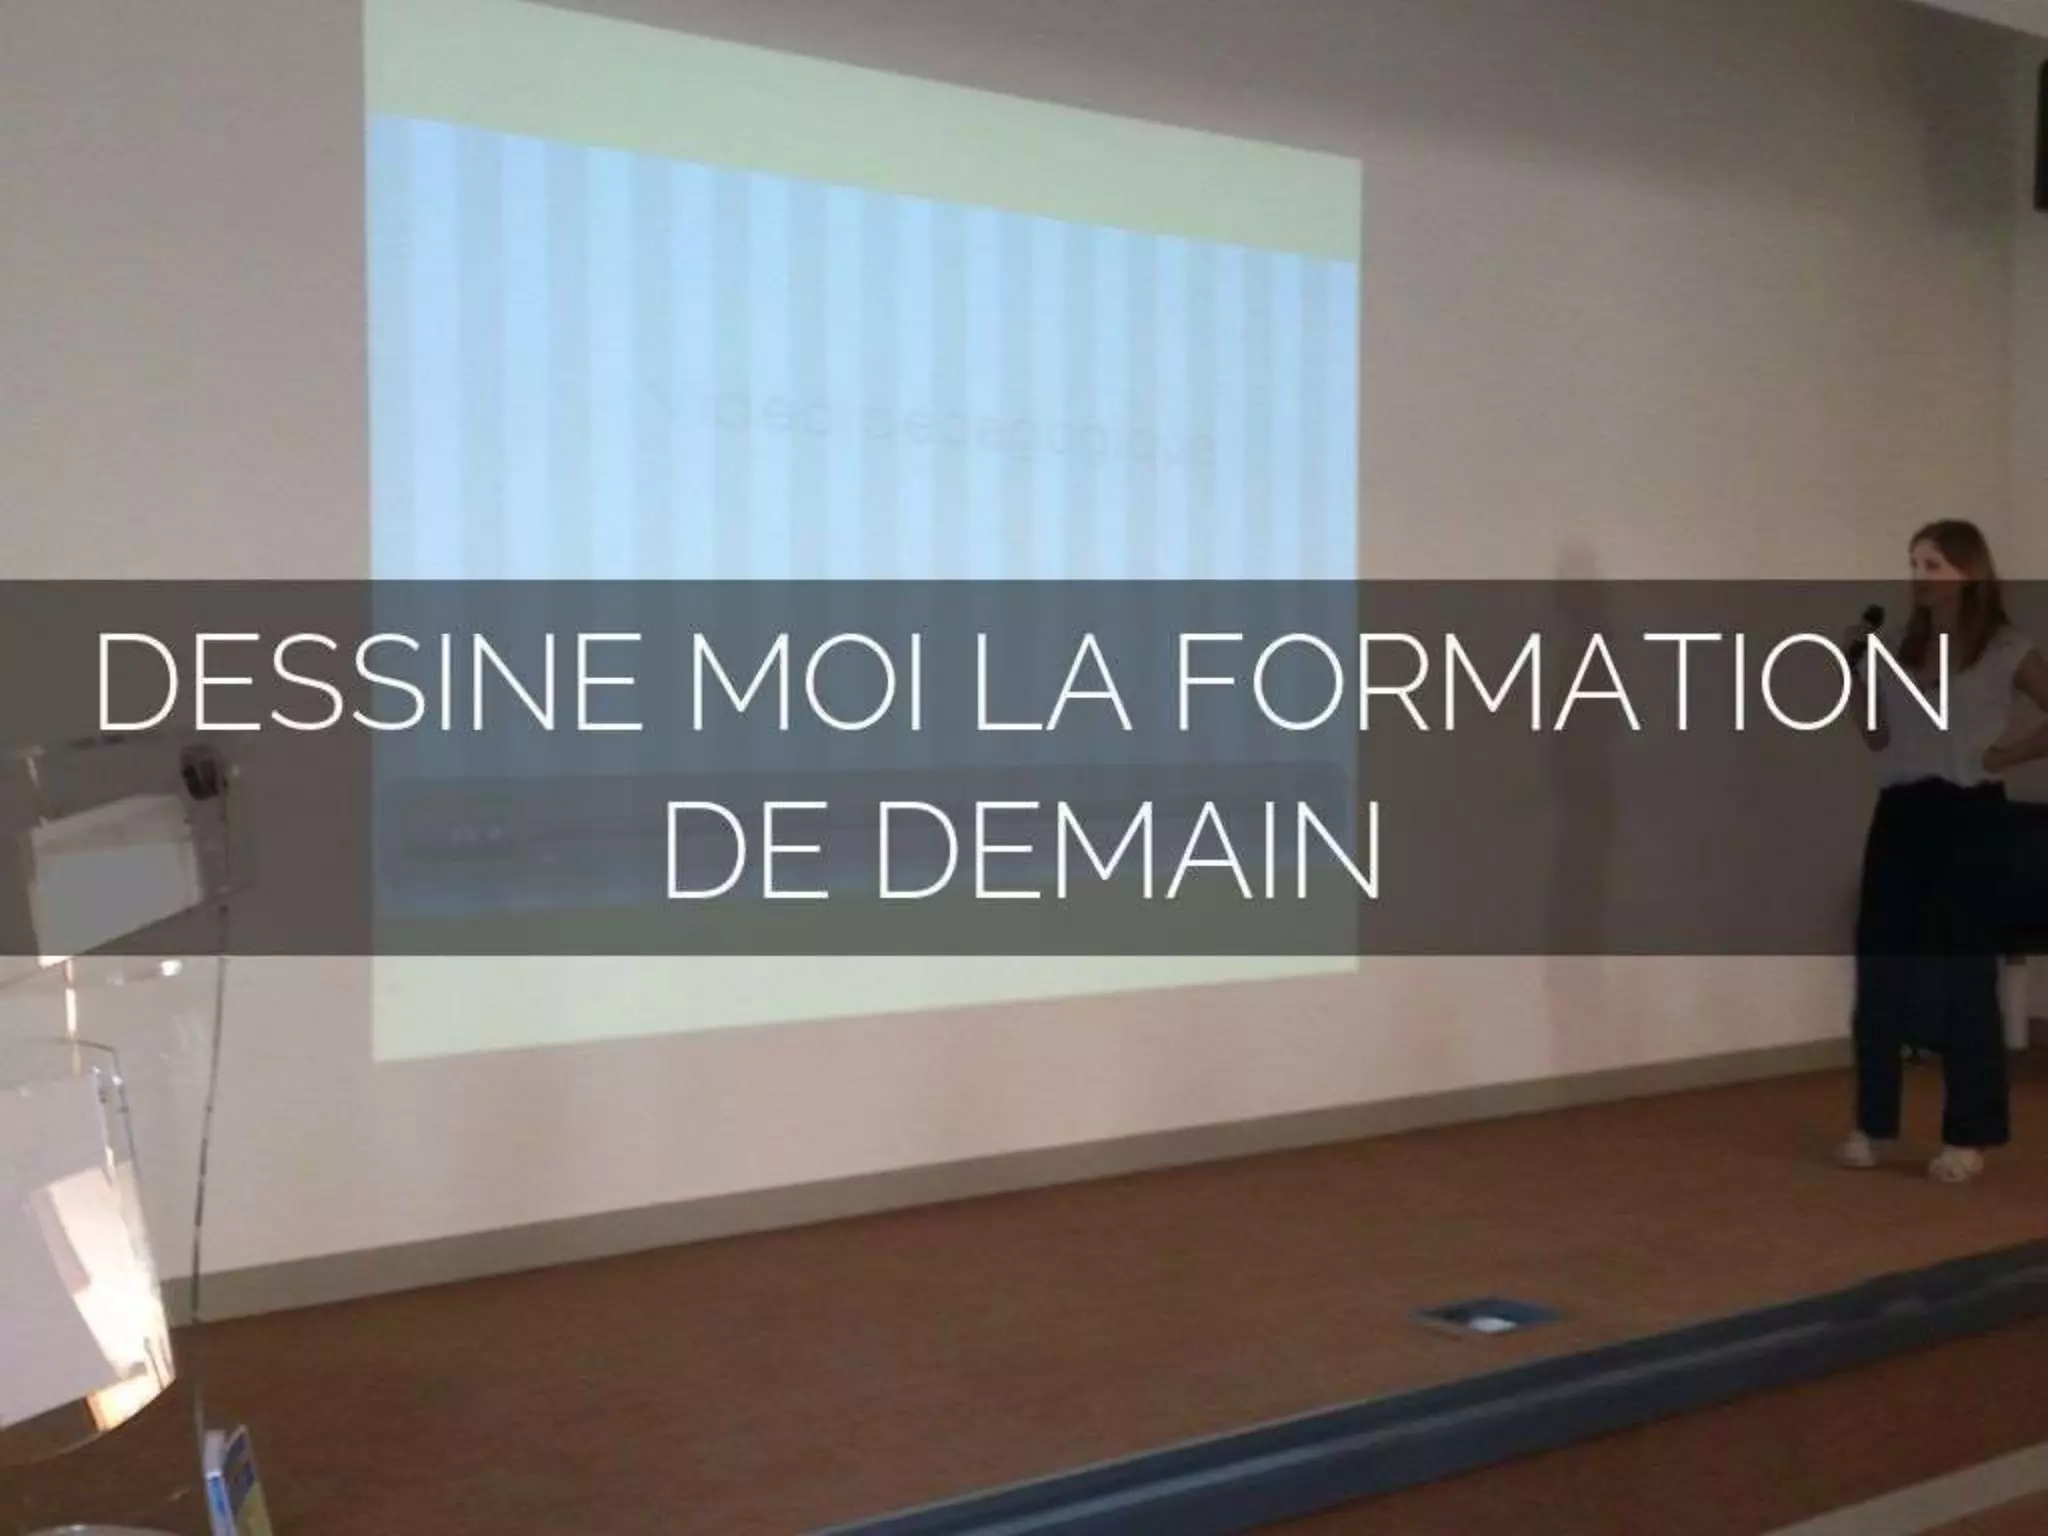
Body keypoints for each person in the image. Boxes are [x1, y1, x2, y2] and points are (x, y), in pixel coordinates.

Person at [1838, 520, 2048, 1183]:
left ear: (1969, 571)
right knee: (1880, 969)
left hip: (1970, 816)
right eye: (1914, 563)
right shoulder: (1898, 643)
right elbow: (1877, 736)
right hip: (1901, 813)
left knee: (1964, 979)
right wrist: (1854, 675)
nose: (1920, 576)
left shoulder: (2006, 647)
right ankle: (1873, 1125)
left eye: (1933, 564)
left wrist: (2007, 755)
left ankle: (1968, 1136)